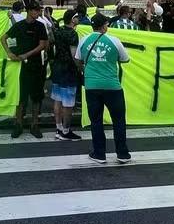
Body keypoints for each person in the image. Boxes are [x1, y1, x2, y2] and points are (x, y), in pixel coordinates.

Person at [76, 12, 131, 164]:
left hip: (92, 86)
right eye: (106, 24)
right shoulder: (114, 40)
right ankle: (123, 153)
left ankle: (99, 154)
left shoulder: (84, 40)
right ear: (103, 26)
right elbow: (125, 59)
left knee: (96, 121)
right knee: (119, 120)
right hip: (112, 86)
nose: (107, 26)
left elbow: (78, 60)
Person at [1, 0, 49, 139]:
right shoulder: (20, 26)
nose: (38, 12)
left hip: (35, 65)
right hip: (20, 66)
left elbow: (43, 44)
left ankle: (35, 125)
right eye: (35, 10)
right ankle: (18, 124)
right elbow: (3, 38)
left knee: (36, 97)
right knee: (20, 97)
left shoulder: (40, 26)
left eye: (38, 10)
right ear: (29, 11)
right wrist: (9, 53)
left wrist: (26, 55)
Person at [51, 9, 82, 141]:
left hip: (57, 67)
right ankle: (66, 130)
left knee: (57, 99)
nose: (78, 19)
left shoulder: (58, 31)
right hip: (68, 70)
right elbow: (74, 55)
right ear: (71, 19)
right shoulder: (72, 34)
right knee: (68, 103)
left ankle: (58, 128)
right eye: (76, 17)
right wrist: (80, 67)